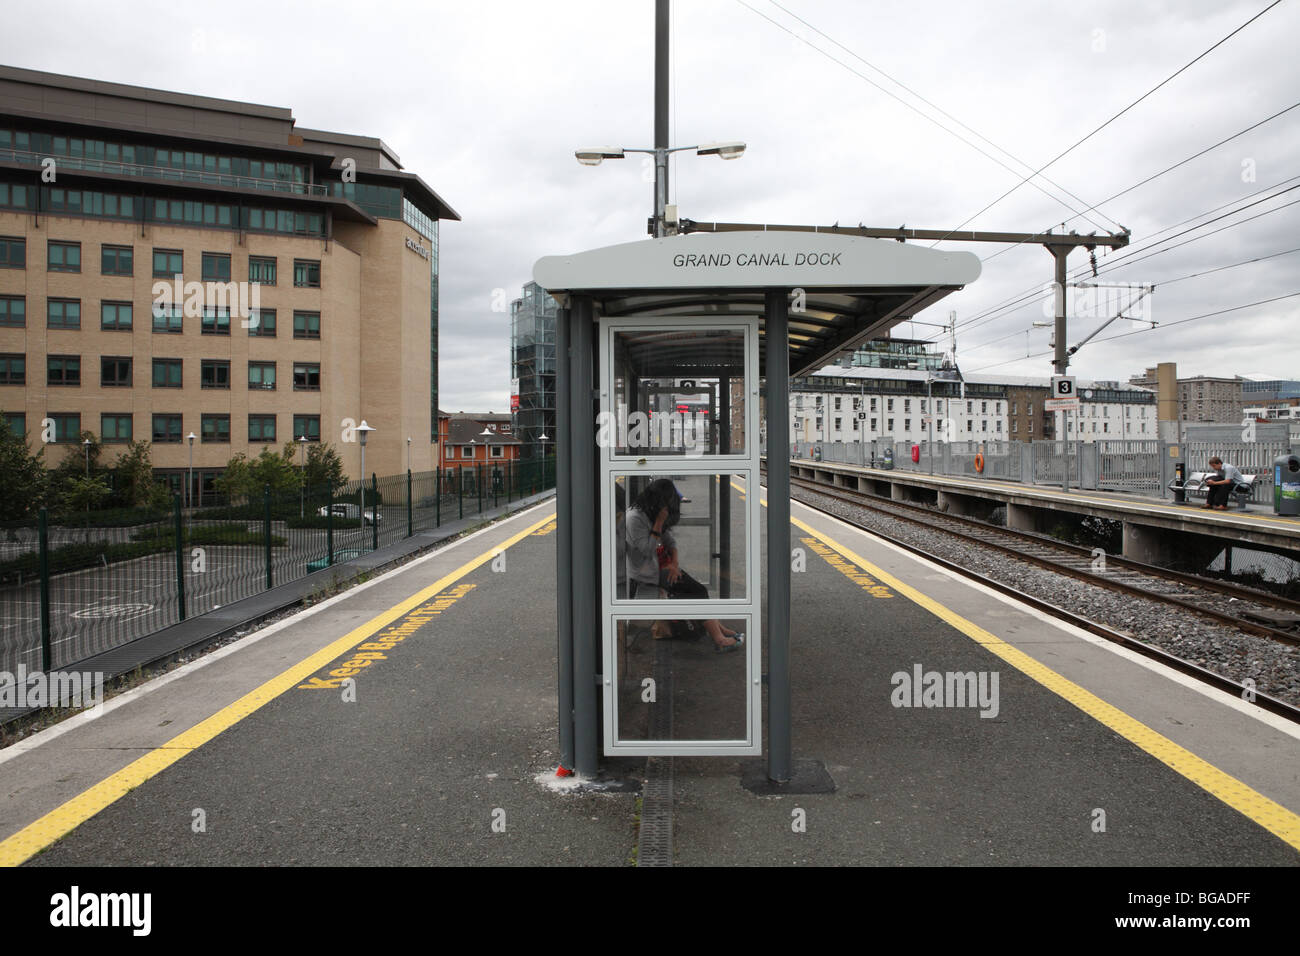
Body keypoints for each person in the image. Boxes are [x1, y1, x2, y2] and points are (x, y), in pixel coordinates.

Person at [624, 478, 743, 652]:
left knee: (693, 589)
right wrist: (658, 522)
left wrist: (674, 563)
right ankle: (720, 639)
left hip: (661, 566)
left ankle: (719, 630)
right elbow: (646, 550)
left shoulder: (652, 511)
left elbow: (670, 542)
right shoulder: (634, 518)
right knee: (697, 591)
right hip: (644, 571)